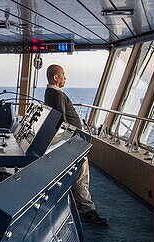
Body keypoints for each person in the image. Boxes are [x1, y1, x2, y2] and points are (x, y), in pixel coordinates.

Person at [44, 63, 107, 224]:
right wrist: (73, 144)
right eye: (63, 75)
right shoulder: (57, 95)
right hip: (73, 143)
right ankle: (87, 210)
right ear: (56, 77)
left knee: (78, 177)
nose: (65, 78)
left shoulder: (50, 93)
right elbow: (62, 122)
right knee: (81, 177)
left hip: (70, 142)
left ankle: (83, 207)